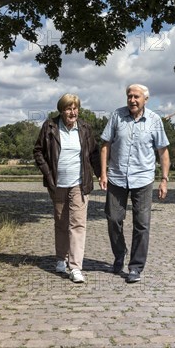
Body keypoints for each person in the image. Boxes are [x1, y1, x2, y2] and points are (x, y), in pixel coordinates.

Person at [99, 84, 170, 283]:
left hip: (143, 178)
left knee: (142, 224)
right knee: (113, 219)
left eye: (136, 97)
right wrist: (103, 173)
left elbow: (163, 152)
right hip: (117, 177)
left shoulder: (154, 120)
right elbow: (105, 145)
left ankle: (135, 267)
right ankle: (120, 254)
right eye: (129, 96)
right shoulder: (117, 116)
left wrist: (164, 180)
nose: (132, 100)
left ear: (145, 99)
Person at [33, 93, 101, 283]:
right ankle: (60, 259)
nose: (73, 112)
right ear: (61, 111)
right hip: (57, 183)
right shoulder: (50, 126)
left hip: (80, 183)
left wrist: (102, 175)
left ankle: (75, 267)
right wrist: (47, 173)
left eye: (75, 108)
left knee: (77, 224)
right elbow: (38, 151)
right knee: (61, 222)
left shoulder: (85, 128)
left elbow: (94, 154)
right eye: (68, 108)